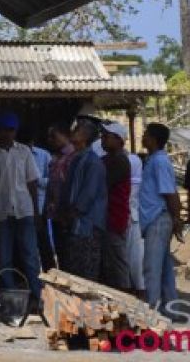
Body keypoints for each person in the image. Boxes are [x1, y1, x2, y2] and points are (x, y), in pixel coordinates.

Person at [0, 112, 42, 304]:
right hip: (2, 213)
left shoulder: (24, 152)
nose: (8, 133)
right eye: (4, 130)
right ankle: (12, 297)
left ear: (15, 131)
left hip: (24, 211)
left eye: (11, 130)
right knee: (4, 258)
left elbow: (32, 183)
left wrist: (36, 211)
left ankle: (36, 295)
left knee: (30, 256)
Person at [139, 122, 183, 315]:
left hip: (158, 219)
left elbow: (170, 194)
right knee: (164, 268)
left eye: (146, 134)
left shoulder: (159, 162)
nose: (143, 137)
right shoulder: (153, 160)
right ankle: (172, 311)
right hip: (156, 219)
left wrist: (176, 219)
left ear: (154, 139)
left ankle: (152, 313)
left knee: (152, 268)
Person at [64, 120, 107, 282]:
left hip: (88, 224)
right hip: (78, 223)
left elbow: (88, 194)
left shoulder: (92, 162)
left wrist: (74, 212)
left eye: (77, 130)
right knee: (75, 268)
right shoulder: (77, 159)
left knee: (86, 269)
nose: (73, 132)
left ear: (84, 137)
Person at [99, 122, 133, 290]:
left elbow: (101, 186)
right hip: (107, 217)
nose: (103, 139)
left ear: (119, 140)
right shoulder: (106, 159)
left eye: (107, 136)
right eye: (102, 136)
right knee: (109, 262)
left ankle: (124, 299)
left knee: (117, 262)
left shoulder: (119, 160)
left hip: (115, 218)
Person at [20, 125, 55, 271]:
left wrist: (36, 180)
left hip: (40, 206)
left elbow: (52, 181)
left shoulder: (44, 155)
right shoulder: (15, 155)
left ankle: (50, 273)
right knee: (26, 245)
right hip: (21, 207)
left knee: (43, 243)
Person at [45, 123, 76, 269]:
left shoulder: (72, 157)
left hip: (66, 214)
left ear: (66, 136)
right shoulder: (55, 158)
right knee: (60, 253)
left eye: (54, 137)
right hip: (55, 213)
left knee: (69, 255)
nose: (51, 140)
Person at [127, 142, 146, 296]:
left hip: (133, 218)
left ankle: (138, 287)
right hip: (132, 217)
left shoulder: (136, 183)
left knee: (135, 256)